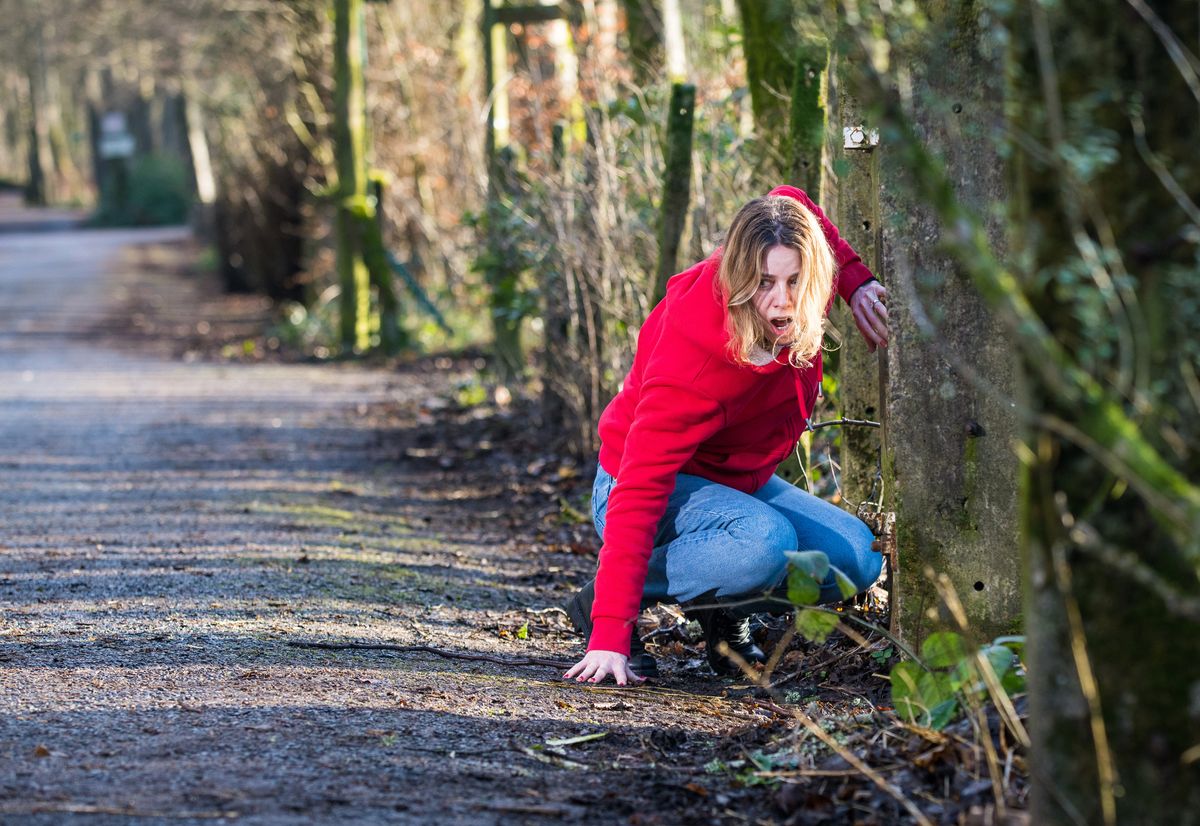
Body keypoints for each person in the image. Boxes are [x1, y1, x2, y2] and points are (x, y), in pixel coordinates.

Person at [562, 185, 890, 686]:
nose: (782, 302)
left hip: (731, 481)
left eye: (797, 281)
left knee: (855, 557)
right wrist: (611, 629)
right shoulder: (692, 363)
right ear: (739, 280)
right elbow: (640, 486)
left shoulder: (801, 278)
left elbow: (789, 198)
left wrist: (856, 281)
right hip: (636, 485)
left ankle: (721, 604)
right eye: (762, 283)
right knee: (763, 543)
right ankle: (603, 600)